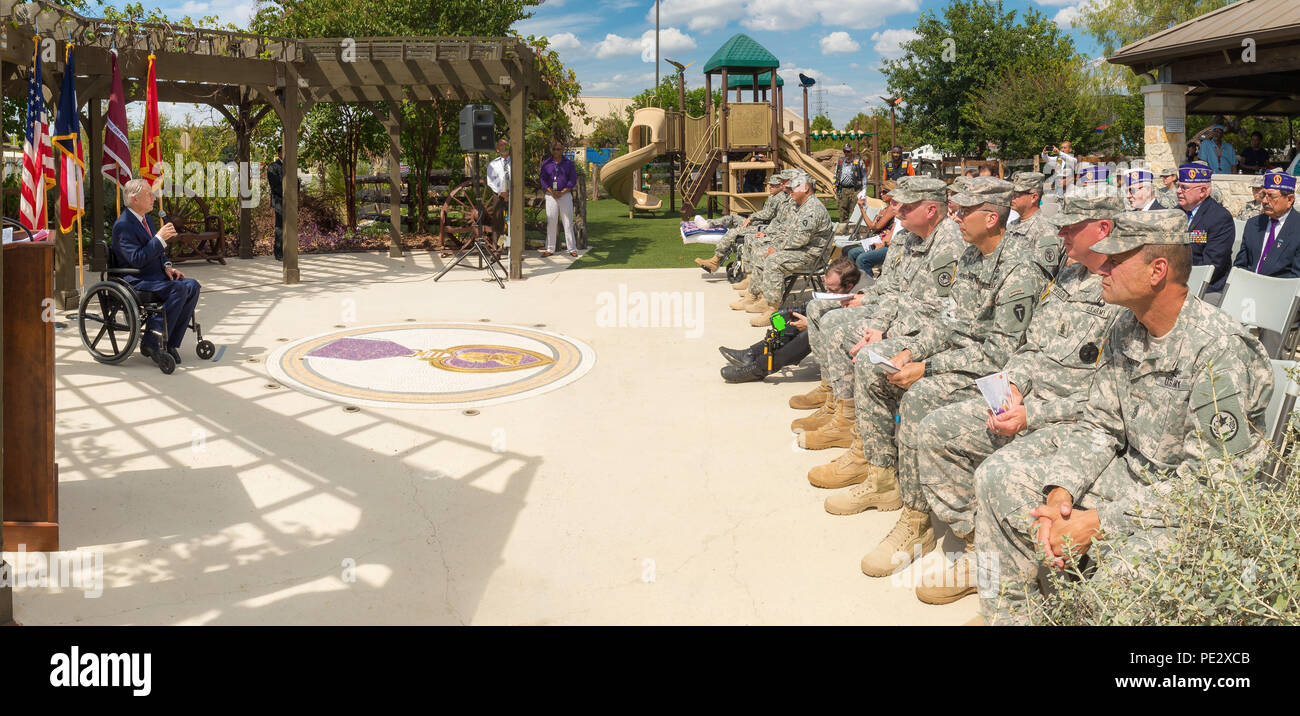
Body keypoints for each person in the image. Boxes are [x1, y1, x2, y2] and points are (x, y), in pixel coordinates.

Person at [973, 209, 1272, 625]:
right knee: (998, 480)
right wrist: (1061, 497)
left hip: (1187, 509)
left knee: (1125, 575)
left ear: (1157, 271)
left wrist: (1097, 523)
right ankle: (1012, 617)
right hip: (1132, 477)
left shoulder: (1218, 351)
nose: (1103, 267)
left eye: (1116, 259)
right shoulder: (1127, 326)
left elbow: (1212, 487)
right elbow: (1099, 424)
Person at [909, 192, 1125, 604]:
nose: (1059, 232)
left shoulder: (1120, 295)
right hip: (1025, 401)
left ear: (1103, 230)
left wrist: (1033, 415)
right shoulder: (1068, 276)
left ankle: (1021, 580)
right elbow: (1030, 346)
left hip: (1070, 422)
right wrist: (1014, 385)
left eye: (1070, 226)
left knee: (997, 472)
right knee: (937, 430)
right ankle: (978, 545)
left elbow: (1106, 399)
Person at [840, 177, 1050, 577]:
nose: (956, 215)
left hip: (1001, 376)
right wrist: (911, 351)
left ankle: (920, 521)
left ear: (991, 218)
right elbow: (949, 321)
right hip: (962, 356)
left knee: (920, 396)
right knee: (877, 363)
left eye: (965, 210)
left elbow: (1000, 353)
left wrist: (927, 367)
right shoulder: (971, 256)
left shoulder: (1021, 268)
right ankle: (885, 478)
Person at [794, 177, 964, 455]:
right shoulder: (912, 238)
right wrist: (877, 326)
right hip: (899, 322)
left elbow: (940, 314)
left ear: (931, 211)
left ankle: (863, 442)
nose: (898, 210)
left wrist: (885, 333)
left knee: (842, 334)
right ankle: (840, 406)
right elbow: (895, 289)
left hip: (921, 335)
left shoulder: (948, 245)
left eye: (907, 206)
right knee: (831, 322)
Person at [719, 258, 861, 383]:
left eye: (832, 289)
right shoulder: (847, 284)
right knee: (791, 316)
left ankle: (759, 368)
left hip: (857, 341)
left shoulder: (863, 295)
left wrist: (811, 324)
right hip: (838, 328)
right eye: (827, 288)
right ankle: (752, 353)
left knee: (808, 333)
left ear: (849, 286)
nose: (828, 293)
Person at [112, 178, 203, 368]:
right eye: (149, 194)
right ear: (134, 199)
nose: (154, 198)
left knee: (192, 286)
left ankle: (169, 343)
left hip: (155, 277)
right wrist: (159, 238)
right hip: (135, 280)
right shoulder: (123, 225)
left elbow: (159, 253)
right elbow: (136, 259)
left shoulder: (146, 220)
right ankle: (151, 342)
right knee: (177, 290)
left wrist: (168, 266)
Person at [744, 173, 834, 327]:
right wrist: (774, 245)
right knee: (764, 251)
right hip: (801, 250)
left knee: (773, 260)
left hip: (811, 256)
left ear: (805, 188)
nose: (790, 191)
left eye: (794, 188)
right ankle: (763, 298)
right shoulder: (800, 206)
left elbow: (799, 240)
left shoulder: (812, 209)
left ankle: (773, 310)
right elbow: (787, 232)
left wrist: (776, 249)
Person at [699, 172, 790, 275]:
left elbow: (767, 215)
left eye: (774, 185)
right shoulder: (773, 196)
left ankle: (715, 260)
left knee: (734, 232)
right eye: (770, 185)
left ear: (781, 186)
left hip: (764, 227)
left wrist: (751, 218)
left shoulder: (780, 197)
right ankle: (708, 224)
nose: (770, 187)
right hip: (759, 223)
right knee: (733, 218)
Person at [1176, 162, 1235, 295]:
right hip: (1174, 283)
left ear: (1202, 191)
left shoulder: (1220, 218)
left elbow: (1212, 265)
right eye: (1178, 186)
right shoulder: (1175, 213)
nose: (1178, 191)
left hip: (1205, 289)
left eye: (1184, 187)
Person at [1233, 170, 1300, 281]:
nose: (1264, 200)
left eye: (1271, 196)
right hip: (1247, 288)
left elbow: (1296, 278)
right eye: (1263, 194)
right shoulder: (1253, 224)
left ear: (1290, 200)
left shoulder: (1297, 227)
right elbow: (1240, 265)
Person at [1005, 171, 1062, 275]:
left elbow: (1044, 273)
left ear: (1034, 197)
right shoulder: (1012, 225)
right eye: (1012, 193)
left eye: (1017, 194)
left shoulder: (1046, 230)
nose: (1012, 197)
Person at [842, 184, 896, 276]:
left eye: (885, 192)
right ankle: (852, 280)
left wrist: (862, 210)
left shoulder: (892, 209)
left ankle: (861, 283)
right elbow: (872, 226)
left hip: (883, 242)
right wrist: (862, 209)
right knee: (846, 250)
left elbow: (875, 227)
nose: (881, 194)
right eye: (880, 192)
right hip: (876, 239)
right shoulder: (885, 209)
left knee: (856, 255)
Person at [539, 139, 578, 257]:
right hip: (551, 196)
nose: (556, 151)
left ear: (563, 150)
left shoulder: (569, 164)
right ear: (552, 150)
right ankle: (550, 248)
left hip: (565, 195)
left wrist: (562, 192)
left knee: (568, 222)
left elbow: (572, 180)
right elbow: (543, 179)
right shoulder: (546, 164)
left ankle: (572, 248)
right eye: (554, 149)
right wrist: (552, 191)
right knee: (551, 222)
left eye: (559, 149)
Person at [485, 137, 510, 243]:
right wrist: (501, 192)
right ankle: (497, 247)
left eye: (506, 144)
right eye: (501, 145)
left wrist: (509, 192)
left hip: (512, 194)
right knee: (497, 221)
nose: (504, 146)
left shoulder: (515, 163)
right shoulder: (493, 164)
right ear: (497, 149)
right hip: (498, 194)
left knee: (511, 221)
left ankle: (510, 247)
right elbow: (491, 181)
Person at [833, 144, 867, 221]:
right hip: (843, 189)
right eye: (845, 151)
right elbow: (836, 174)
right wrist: (834, 185)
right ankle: (843, 230)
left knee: (856, 211)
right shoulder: (841, 161)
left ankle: (856, 230)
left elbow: (864, 175)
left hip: (855, 189)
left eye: (848, 151)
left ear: (851, 151)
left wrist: (864, 189)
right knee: (842, 210)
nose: (846, 153)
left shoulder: (858, 161)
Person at [267, 147, 284, 261]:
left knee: (290, 226)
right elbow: (274, 184)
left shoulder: (291, 165)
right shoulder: (273, 166)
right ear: (279, 153)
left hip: (291, 200)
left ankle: (288, 250)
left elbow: (296, 181)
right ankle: (278, 252)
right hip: (279, 200)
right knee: (280, 226)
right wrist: (285, 193)